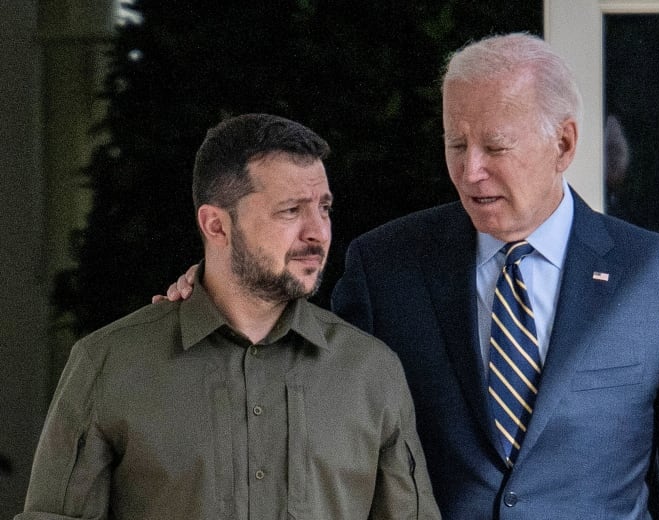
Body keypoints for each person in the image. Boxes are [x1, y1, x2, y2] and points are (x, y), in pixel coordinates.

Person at [162, 34, 659, 518]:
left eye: (494, 146)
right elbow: (306, 389)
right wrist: (218, 290)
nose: (470, 170)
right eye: (456, 143)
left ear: (563, 143)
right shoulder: (387, 265)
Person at [18, 114, 440, 520]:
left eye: (324, 209)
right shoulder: (109, 364)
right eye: (291, 211)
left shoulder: (372, 371)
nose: (319, 232)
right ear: (216, 226)